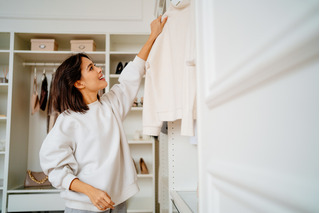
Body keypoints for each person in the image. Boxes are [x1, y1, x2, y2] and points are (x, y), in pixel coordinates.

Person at [39, 15, 167, 213]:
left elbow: (131, 75)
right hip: (83, 208)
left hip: (116, 204)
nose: (99, 69)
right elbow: (54, 167)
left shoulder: (111, 105)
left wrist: (152, 37)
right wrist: (90, 191)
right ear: (79, 83)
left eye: (95, 65)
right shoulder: (68, 120)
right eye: (91, 68)